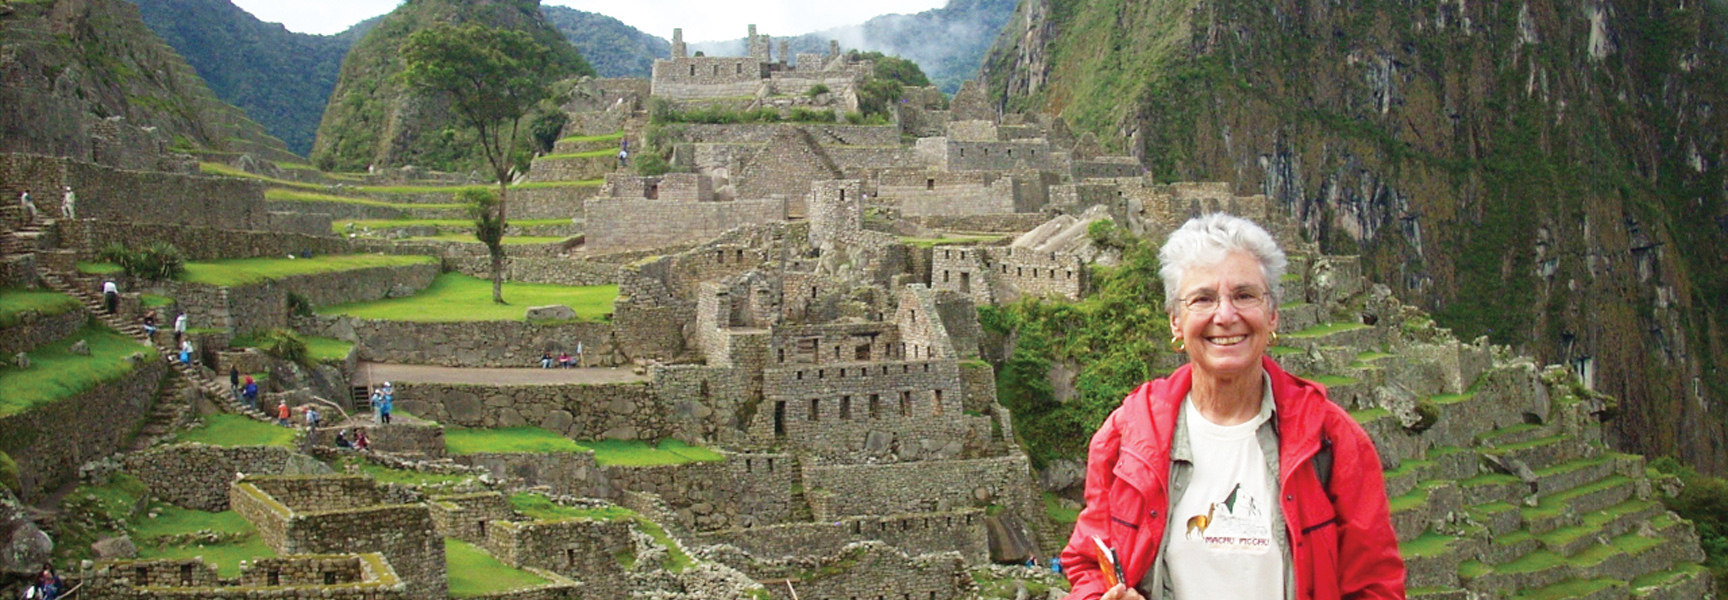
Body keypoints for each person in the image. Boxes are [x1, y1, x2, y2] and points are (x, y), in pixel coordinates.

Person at [1059, 214, 1403, 600]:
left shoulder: (1331, 441)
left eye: (1244, 295)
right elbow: (1089, 562)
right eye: (1203, 299)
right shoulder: (1129, 436)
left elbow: (1375, 586)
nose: (1225, 316)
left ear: (1272, 314)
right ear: (1176, 320)